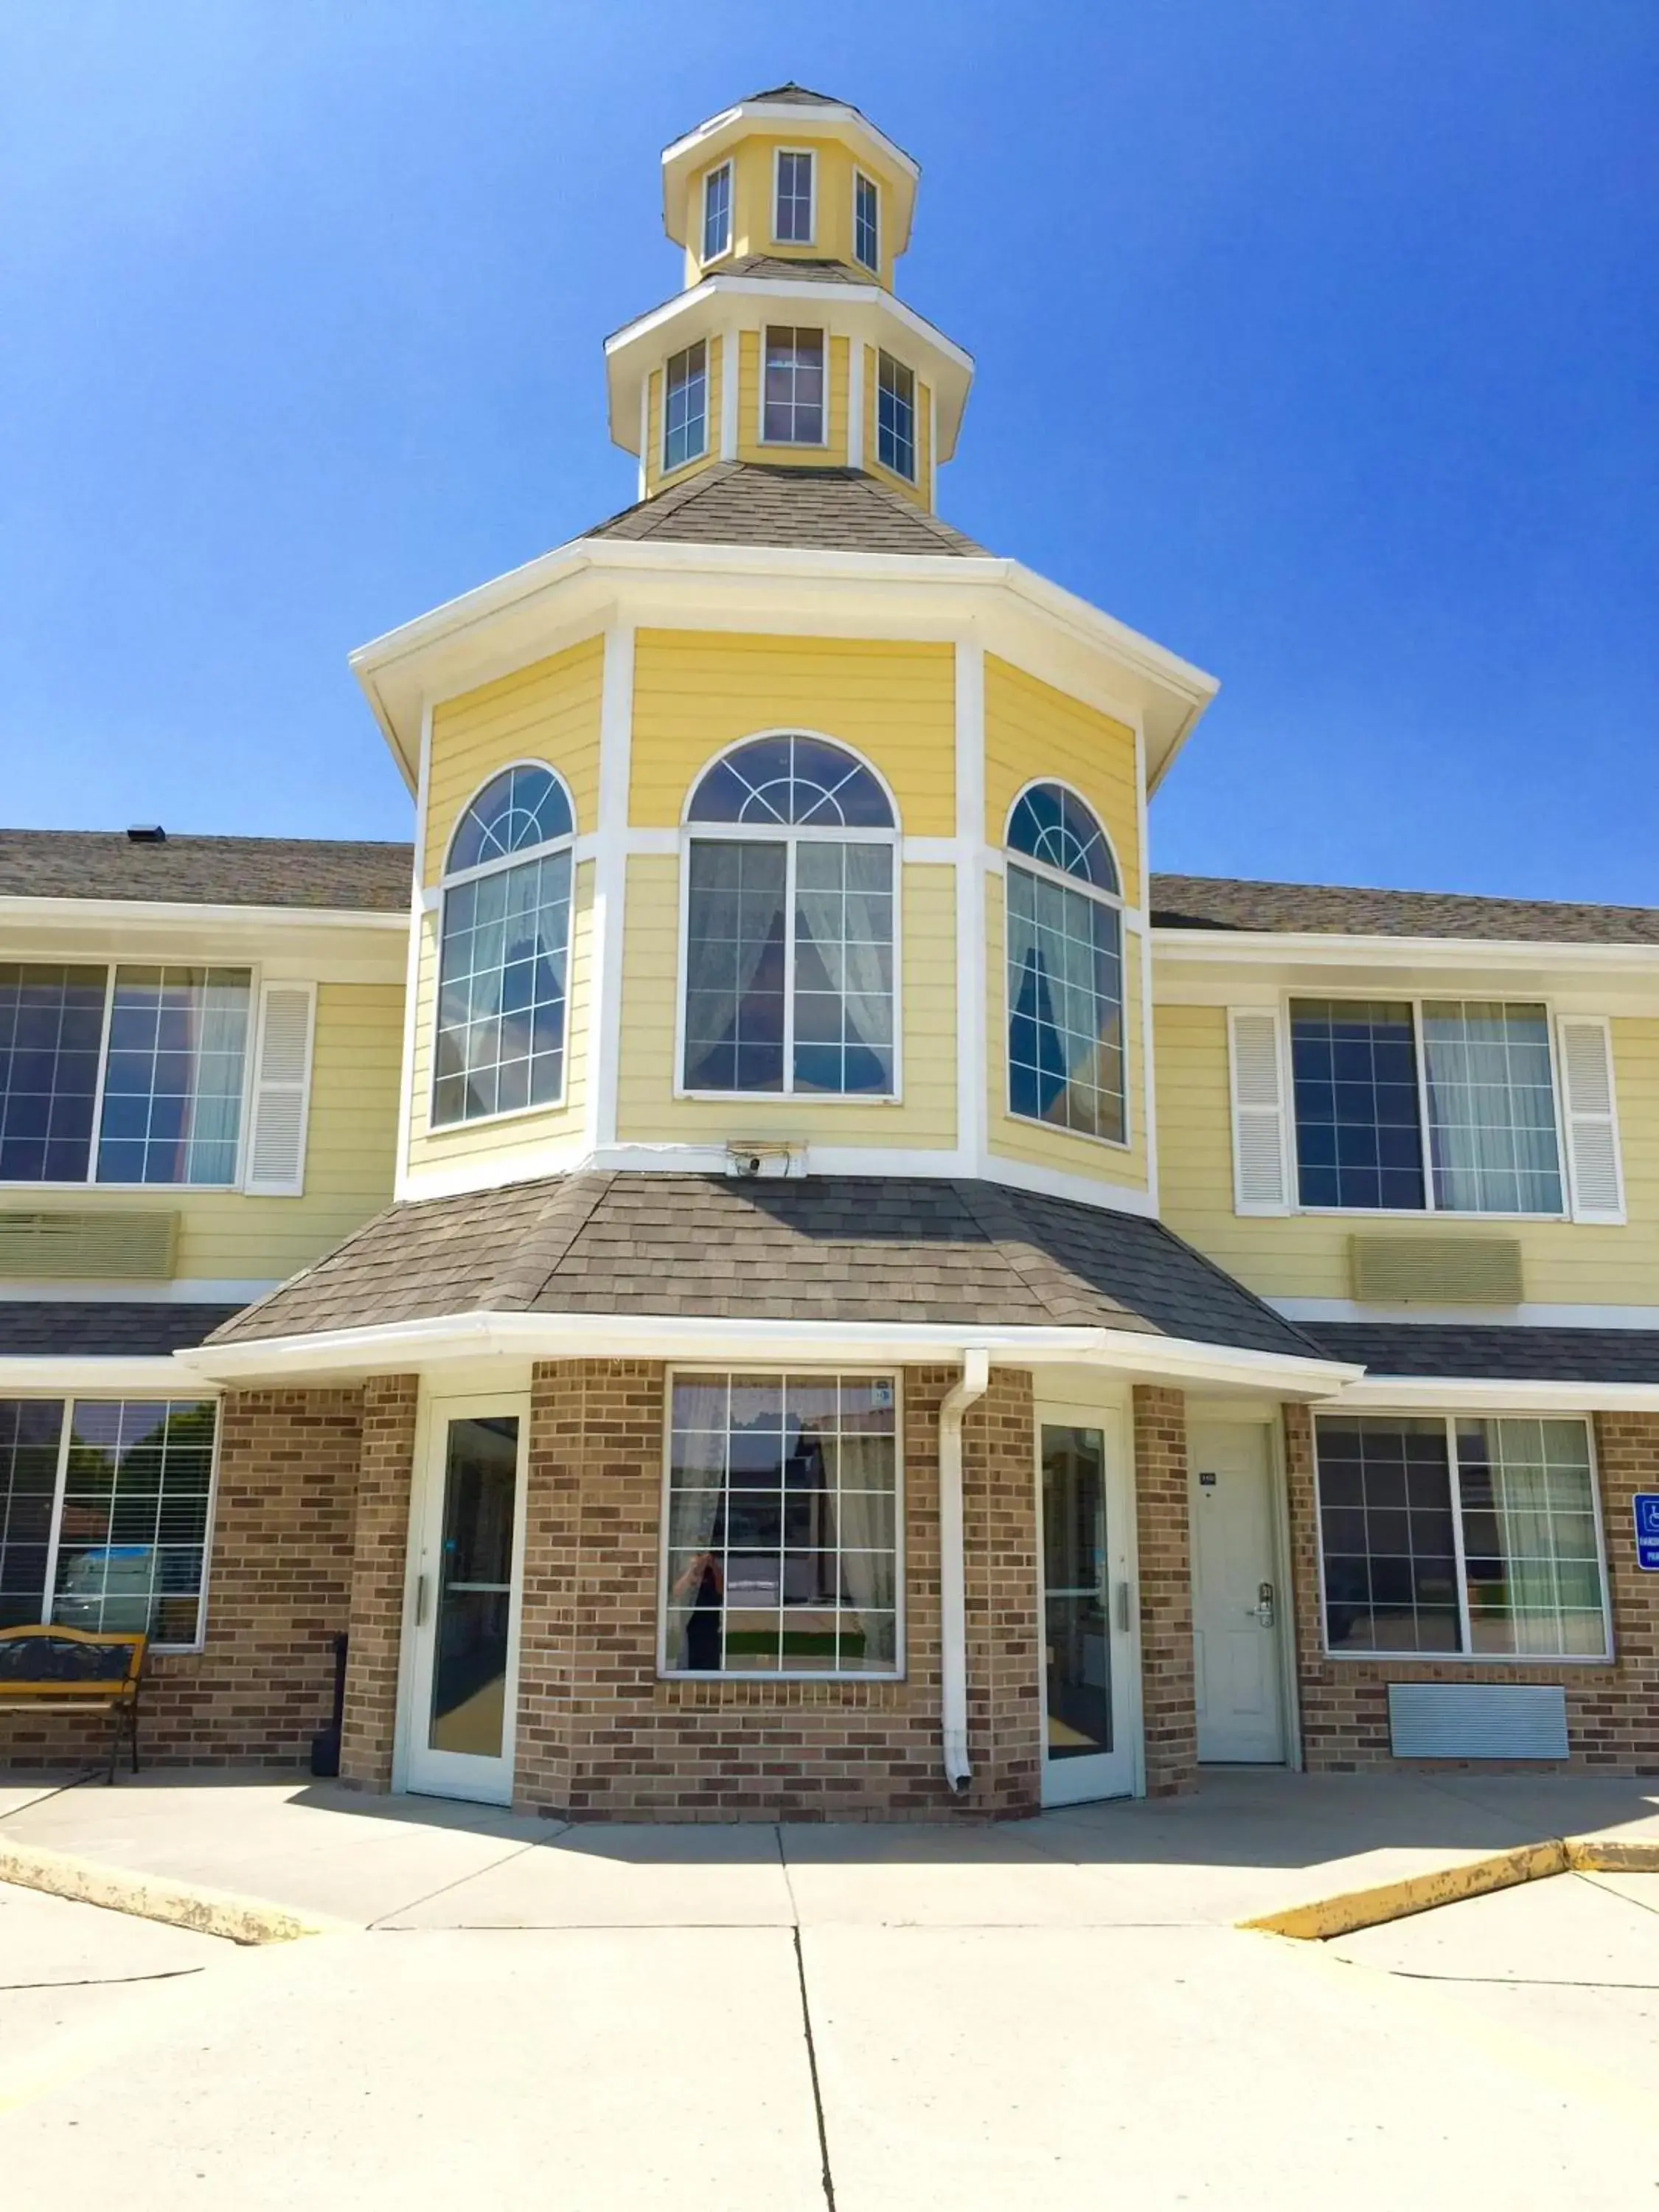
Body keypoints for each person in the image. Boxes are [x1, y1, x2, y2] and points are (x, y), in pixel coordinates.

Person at [672, 1549, 724, 1671]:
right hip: (689, 1628)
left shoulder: (712, 1573)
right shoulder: (688, 1574)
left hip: (710, 1628)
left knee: (710, 1666)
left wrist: (713, 1566)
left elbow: (721, 1590)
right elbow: (677, 1592)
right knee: (688, 1664)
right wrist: (692, 1569)